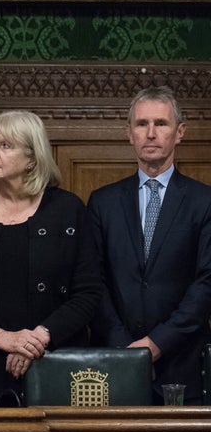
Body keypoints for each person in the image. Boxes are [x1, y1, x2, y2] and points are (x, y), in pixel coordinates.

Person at [0, 110, 101, 406]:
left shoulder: (68, 210)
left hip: (54, 366)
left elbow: (87, 293)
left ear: (32, 159)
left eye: (6, 146)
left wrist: (36, 340)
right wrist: (0, 337)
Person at [88, 86, 211, 405]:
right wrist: (125, 348)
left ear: (179, 132)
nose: (151, 133)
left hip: (182, 364)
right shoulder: (103, 202)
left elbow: (206, 283)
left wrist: (155, 343)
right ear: (129, 133)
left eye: (161, 124)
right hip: (114, 363)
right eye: (142, 124)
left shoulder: (204, 202)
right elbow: (93, 281)